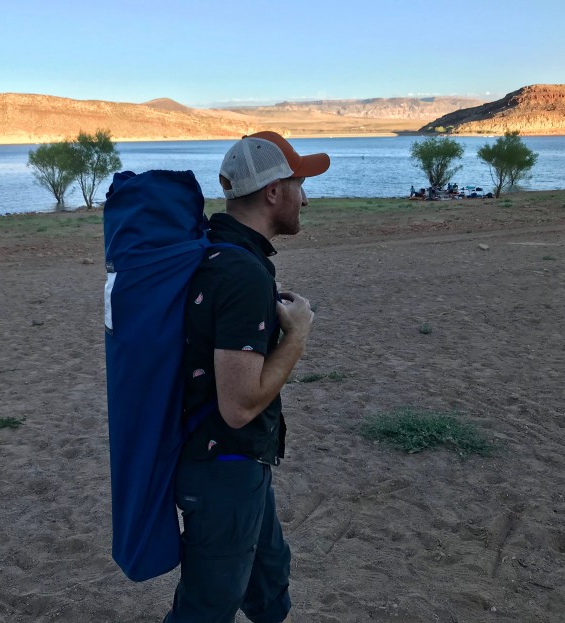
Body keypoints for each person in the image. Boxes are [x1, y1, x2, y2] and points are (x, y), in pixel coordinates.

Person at [164, 131, 330, 623]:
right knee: (206, 610)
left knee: (269, 585)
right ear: (273, 192)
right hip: (222, 469)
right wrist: (296, 335)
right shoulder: (239, 272)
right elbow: (239, 406)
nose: (306, 197)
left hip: (240, 466)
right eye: (299, 183)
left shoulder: (224, 253)